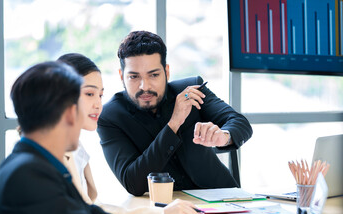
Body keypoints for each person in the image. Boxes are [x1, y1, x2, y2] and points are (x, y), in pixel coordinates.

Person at [0, 61, 261, 214]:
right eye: (88, 97)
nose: (96, 107)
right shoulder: (29, 177)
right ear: (70, 112)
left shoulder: (34, 165)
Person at [97, 30, 253, 196]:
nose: (145, 86)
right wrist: (173, 124)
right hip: (165, 211)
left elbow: (240, 123)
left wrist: (224, 136)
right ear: (122, 76)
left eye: (154, 75)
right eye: (134, 77)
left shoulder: (191, 89)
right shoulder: (110, 117)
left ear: (167, 72)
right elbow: (133, 182)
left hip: (223, 198)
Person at [57, 53, 202, 214]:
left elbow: (92, 210)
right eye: (89, 94)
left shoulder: (75, 149)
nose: (98, 104)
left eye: (100, 96)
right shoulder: (53, 154)